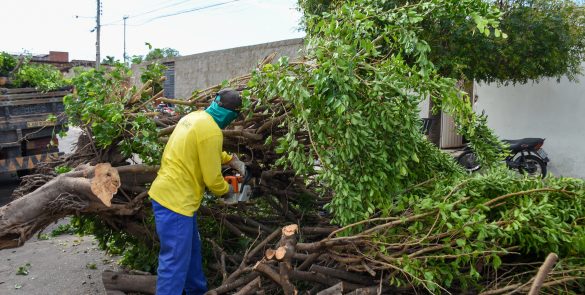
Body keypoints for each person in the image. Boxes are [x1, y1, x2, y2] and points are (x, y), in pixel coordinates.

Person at [148, 88, 246, 295]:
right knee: (173, 263)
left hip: (172, 197)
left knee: (191, 254)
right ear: (232, 115)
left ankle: (196, 291)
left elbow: (201, 147)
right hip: (176, 202)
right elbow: (212, 179)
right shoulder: (212, 131)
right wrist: (229, 191)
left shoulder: (195, 117)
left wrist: (229, 159)